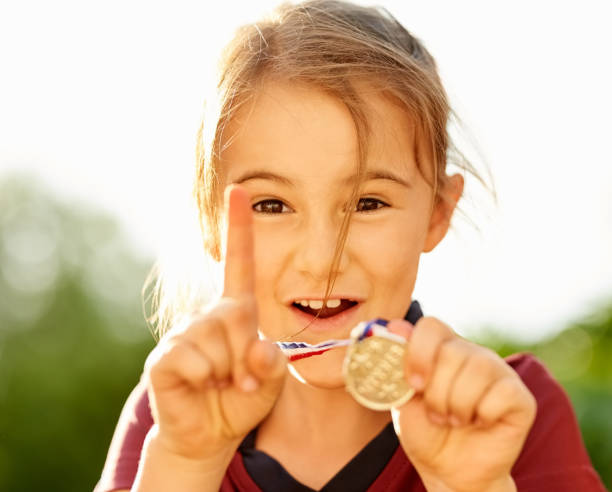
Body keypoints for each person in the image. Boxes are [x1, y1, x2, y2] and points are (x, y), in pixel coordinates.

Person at [94, 1, 606, 490]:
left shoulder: (510, 414)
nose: (322, 260)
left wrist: (472, 485)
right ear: (210, 221)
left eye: (368, 203)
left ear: (438, 213)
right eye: (271, 205)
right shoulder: (171, 413)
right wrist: (186, 464)